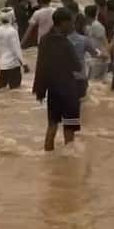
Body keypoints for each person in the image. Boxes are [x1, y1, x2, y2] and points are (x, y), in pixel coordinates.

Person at [33, 8, 81, 151]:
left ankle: (47, 158)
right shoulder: (66, 44)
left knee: (52, 126)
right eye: (71, 23)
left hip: (53, 91)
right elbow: (77, 66)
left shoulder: (44, 40)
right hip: (69, 92)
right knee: (69, 129)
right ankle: (68, 162)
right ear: (63, 23)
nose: (73, 26)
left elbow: (40, 66)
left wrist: (39, 91)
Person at [67, 2, 105, 100]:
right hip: (80, 77)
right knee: (82, 105)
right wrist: (103, 54)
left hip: (65, 78)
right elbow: (95, 53)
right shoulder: (84, 39)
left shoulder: (59, 40)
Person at [0, 8, 27, 90]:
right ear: (12, 17)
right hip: (13, 66)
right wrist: (24, 64)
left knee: (2, 90)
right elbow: (16, 50)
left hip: (3, 66)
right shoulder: (12, 31)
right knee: (15, 91)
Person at [84, 5, 109, 80]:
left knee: (95, 81)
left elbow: (105, 41)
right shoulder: (90, 26)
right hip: (95, 57)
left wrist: (106, 54)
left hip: (99, 58)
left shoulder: (97, 26)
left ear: (86, 14)